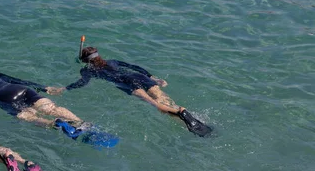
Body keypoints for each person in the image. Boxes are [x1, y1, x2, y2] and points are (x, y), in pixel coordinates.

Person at [49, 45, 213, 137]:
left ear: (85, 61)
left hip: (128, 83)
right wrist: (153, 77)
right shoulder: (113, 61)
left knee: (157, 106)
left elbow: (82, 83)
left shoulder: (88, 71)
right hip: (139, 76)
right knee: (165, 100)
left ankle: (181, 113)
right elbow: (134, 67)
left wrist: (64, 88)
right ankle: (185, 114)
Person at [0, 60, 85, 128]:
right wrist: (45, 88)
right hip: (20, 89)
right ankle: (80, 122)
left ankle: (54, 124)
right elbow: (18, 80)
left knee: (28, 116)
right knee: (51, 108)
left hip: (4, 96)